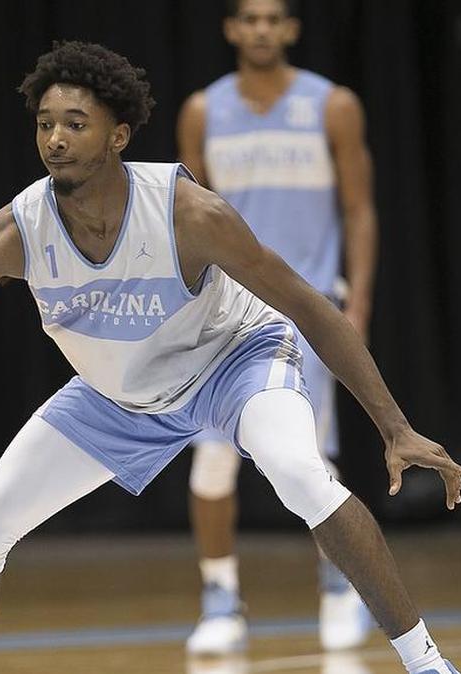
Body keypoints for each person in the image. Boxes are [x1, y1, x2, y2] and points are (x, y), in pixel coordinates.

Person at [0, 43, 461, 674]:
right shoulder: (13, 231)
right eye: (44, 124)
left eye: (76, 123)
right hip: (114, 395)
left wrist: (394, 427)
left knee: (300, 475)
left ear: (119, 135)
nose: (56, 138)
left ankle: (426, 662)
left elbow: (308, 307)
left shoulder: (189, 212)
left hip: (234, 361)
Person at [176, 0, 380, 654]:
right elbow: (187, 217)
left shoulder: (333, 105)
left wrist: (359, 308)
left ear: (290, 29)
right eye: (249, 18)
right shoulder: (203, 110)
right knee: (210, 465)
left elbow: (360, 210)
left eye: (273, 18)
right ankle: (220, 602)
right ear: (232, 30)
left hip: (308, 309)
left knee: (309, 459)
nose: (261, 29)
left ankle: (340, 587)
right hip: (225, 313)